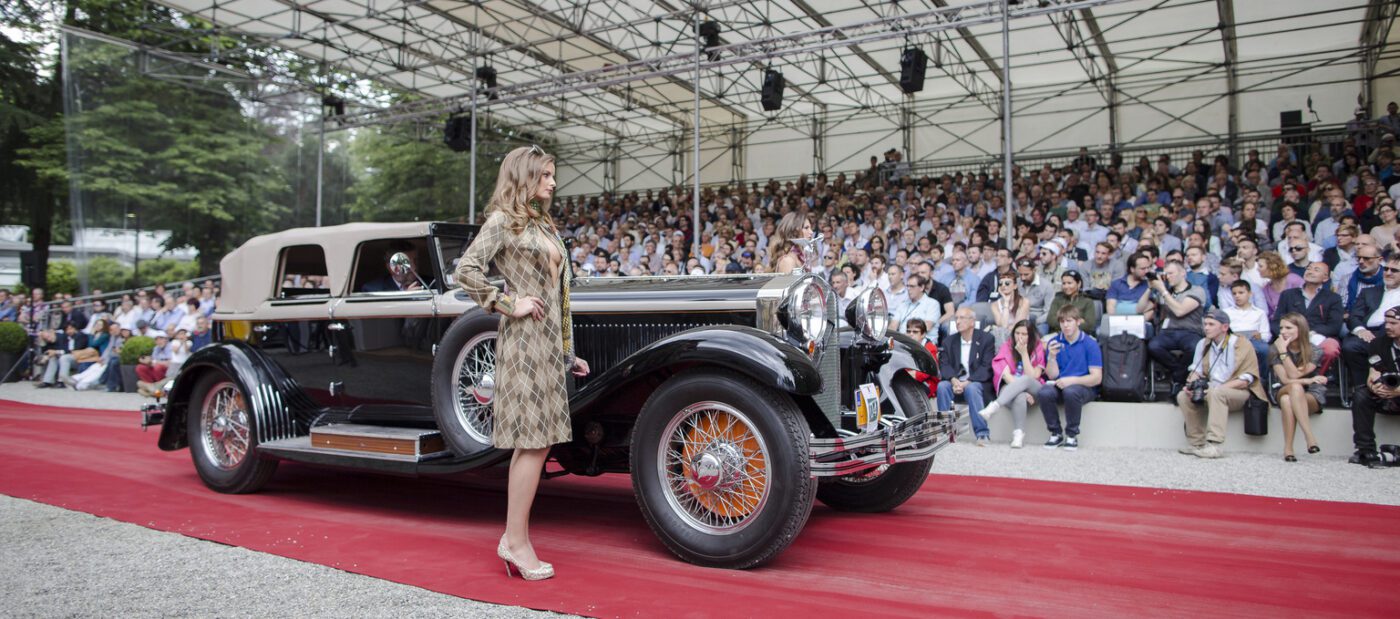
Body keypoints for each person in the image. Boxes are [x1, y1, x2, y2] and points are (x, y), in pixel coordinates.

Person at [453, 145, 590, 581]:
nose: (553, 182)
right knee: (532, 444)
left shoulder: (542, 224)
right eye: (546, 175)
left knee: (537, 444)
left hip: (547, 347)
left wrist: (568, 351)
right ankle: (516, 542)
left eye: (552, 175)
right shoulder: (503, 221)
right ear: (525, 177)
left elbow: (561, 297)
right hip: (524, 344)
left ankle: (513, 539)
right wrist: (506, 302)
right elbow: (467, 269)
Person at [1175, 309, 1267, 459]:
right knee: (1182, 396)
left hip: (1238, 392)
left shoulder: (1241, 344)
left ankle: (1214, 444)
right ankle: (1196, 442)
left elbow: (1245, 380)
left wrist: (1216, 389)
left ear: (1224, 327)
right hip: (1212, 388)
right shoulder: (1203, 343)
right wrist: (1191, 382)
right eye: (1205, 324)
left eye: (1211, 324)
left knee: (1217, 393)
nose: (1206, 328)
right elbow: (1196, 370)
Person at [1037, 305, 1102, 450]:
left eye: (1069, 321)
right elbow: (1052, 375)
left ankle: (1072, 435)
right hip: (1061, 384)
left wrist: (1071, 381)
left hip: (1084, 387)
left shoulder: (1090, 344)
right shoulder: (1055, 341)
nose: (1065, 325)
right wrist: (1052, 357)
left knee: (1071, 391)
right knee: (1044, 392)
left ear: (1078, 322)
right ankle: (1056, 433)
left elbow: (1096, 378)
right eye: (1062, 322)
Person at [981, 320, 1047, 449]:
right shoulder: (1007, 346)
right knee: (1020, 396)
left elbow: (1034, 375)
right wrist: (1020, 390)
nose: (1020, 337)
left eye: (1024, 334)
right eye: (1017, 333)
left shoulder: (1038, 347)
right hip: (1012, 389)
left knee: (1026, 380)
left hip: (1034, 389)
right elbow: (1005, 375)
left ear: (1031, 335)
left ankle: (995, 405)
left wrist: (1024, 354)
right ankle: (1018, 435)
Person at [935, 308, 996, 445]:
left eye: (962, 318)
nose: (958, 321)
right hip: (955, 382)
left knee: (972, 388)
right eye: (957, 318)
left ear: (972, 322)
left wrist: (966, 382)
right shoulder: (949, 341)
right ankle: (947, 432)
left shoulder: (986, 339)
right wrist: (954, 380)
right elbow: (944, 365)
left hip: (976, 383)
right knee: (942, 386)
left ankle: (982, 434)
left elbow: (986, 367)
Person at [1349, 307, 1400, 468]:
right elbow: (1373, 370)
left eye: (1393, 323)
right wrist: (1374, 386)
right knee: (1361, 395)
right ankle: (1365, 449)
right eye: (1386, 322)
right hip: (1386, 391)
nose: (1388, 326)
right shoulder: (1379, 342)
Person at [1271, 261, 1343, 375]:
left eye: (1316, 270)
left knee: (1331, 349)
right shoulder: (1288, 294)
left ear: (1325, 278)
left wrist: (1308, 333)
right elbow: (1276, 322)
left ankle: (1317, 377)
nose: (1310, 271)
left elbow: (1334, 326)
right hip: (1291, 338)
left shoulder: (1333, 298)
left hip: (1318, 337)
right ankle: (1295, 378)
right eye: (1309, 268)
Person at [1147, 261, 1207, 395]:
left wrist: (1162, 291)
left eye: (1171, 273)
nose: (1168, 277)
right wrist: (1150, 288)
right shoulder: (1166, 293)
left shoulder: (1197, 290)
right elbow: (1141, 308)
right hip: (1168, 332)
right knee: (1153, 346)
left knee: (1194, 347)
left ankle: (1178, 378)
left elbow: (1180, 311)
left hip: (1190, 331)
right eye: (1165, 274)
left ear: (1183, 273)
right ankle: (1179, 372)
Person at [1270, 313, 1324, 462]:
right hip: (1283, 388)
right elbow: (1286, 379)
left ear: (1300, 329)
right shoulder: (1275, 349)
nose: (1283, 332)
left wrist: (1283, 353)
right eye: (1281, 328)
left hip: (1311, 394)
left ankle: (1288, 449)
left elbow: (1294, 375)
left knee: (1289, 400)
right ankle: (1309, 437)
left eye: (1288, 328)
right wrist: (1309, 379)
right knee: (1293, 388)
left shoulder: (1315, 350)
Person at [361, 240, 427, 292]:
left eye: (416, 260)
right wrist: (406, 298)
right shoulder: (373, 290)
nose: (414, 267)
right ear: (390, 267)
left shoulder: (433, 285)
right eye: (406, 262)